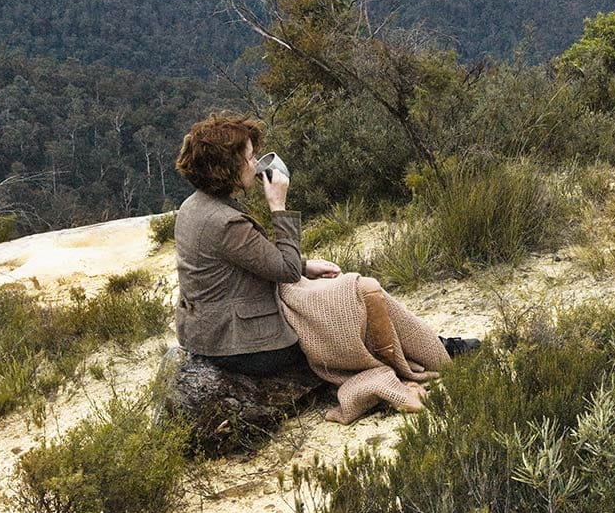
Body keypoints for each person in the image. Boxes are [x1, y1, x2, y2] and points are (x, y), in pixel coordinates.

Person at [170, 113, 479, 399]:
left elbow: (251, 260)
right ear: (229, 167)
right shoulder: (225, 221)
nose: (255, 164)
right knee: (352, 299)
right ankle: (433, 351)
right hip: (247, 346)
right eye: (249, 157)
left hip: (210, 333)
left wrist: (306, 266)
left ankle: (430, 344)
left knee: (345, 293)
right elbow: (286, 270)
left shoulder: (194, 207)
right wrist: (279, 206)